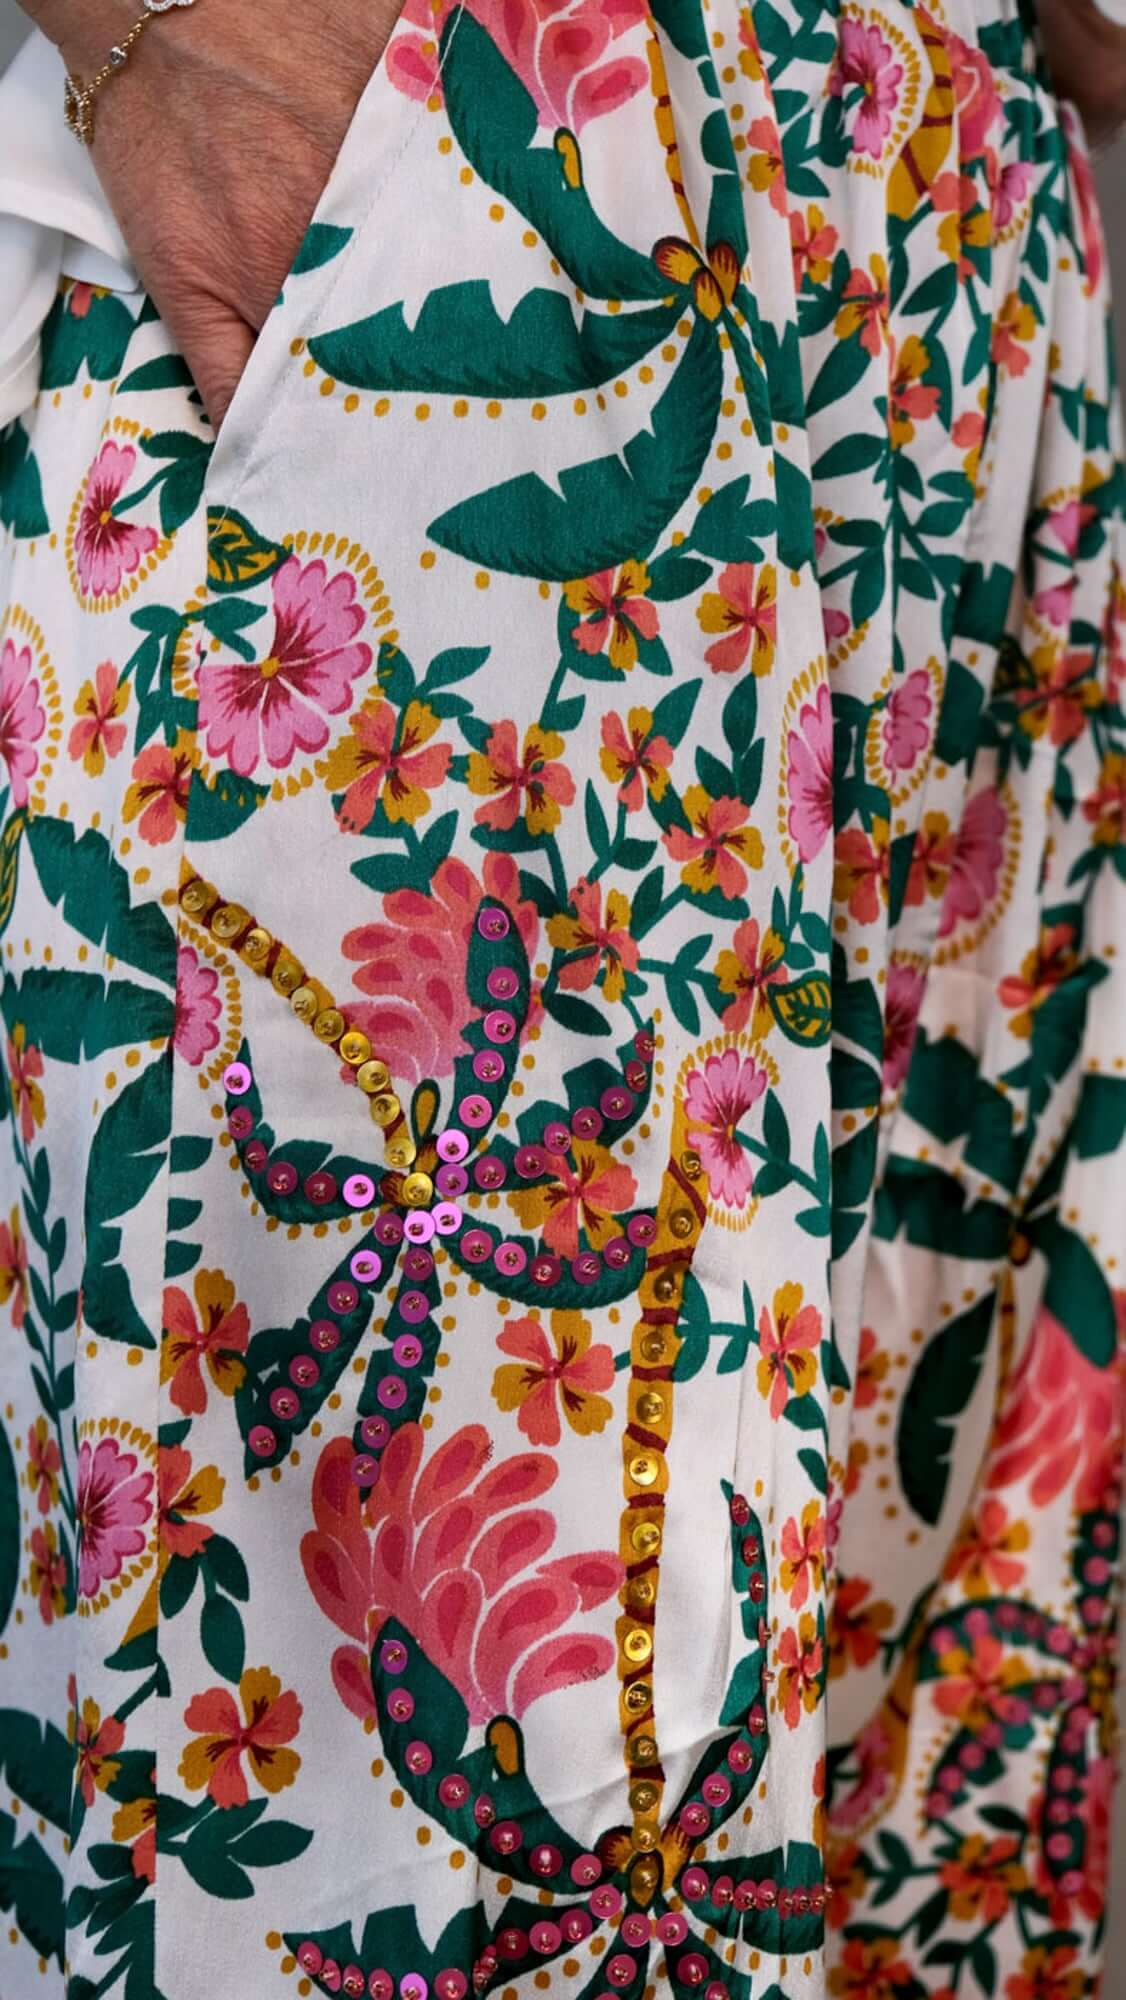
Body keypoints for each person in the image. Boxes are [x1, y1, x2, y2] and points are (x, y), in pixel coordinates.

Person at [0, 1, 1122, 1996]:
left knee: (892, 1774)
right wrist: (173, 26)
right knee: (389, 1826)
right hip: (464, 187)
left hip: (939, 282)